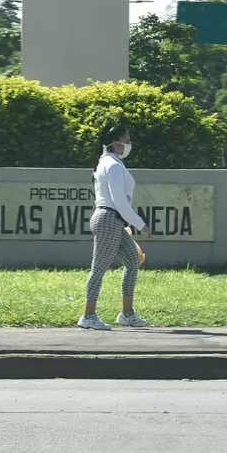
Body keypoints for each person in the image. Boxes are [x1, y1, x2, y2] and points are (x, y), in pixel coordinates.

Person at [78, 122, 150, 330]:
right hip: (109, 219)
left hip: (113, 220)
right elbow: (119, 201)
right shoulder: (114, 165)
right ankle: (88, 316)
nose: (129, 144)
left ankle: (127, 314)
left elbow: (117, 202)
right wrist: (140, 225)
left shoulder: (108, 162)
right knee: (98, 268)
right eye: (127, 141)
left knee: (133, 262)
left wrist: (127, 224)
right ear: (116, 144)